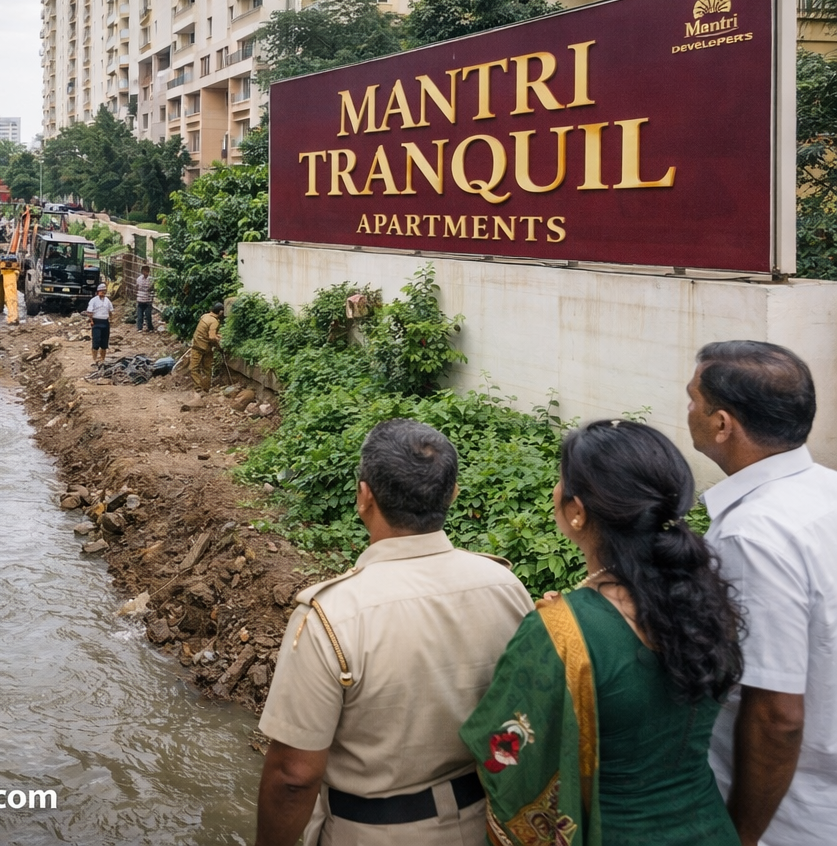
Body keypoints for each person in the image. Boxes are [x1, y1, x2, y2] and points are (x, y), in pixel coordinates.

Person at [462, 419, 743, 846]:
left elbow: (503, 756)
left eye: (560, 480)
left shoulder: (563, 632)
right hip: (710, 826)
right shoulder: (706, 604)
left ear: (577, 511)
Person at [256, 419, 533, 846]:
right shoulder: (506, 588)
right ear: (453, 493)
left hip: (370, 832)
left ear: (364, 496)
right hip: (486, 825)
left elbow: (294, 775)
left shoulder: (333, 614)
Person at [687, 341, 837, 846]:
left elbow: (776, 713)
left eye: (693, 401)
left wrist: (741, 836)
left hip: (788, 819)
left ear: (722, 424)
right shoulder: (827, 491)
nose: (687, 412)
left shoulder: (753, 535)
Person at [190, 301, 223, 392]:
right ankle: (205, 389)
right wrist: (218, 342)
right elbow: (212, 337)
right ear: (220, 312)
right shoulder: (214, 321)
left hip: (196, 345)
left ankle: (198, 388)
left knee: (193, 368)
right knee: (207, 369)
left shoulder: (204, 316)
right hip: (205, 348)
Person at [84, 283, 113, 365]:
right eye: (101, 291)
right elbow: (89, 311)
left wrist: (111, 320)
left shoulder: (107, 300)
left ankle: (103, 359)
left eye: (104, 291)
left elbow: (110, 311)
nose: (103, 292)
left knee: (104, 342)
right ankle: (94, 359)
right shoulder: (93, 300)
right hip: (96, 322)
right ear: (98, 291)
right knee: (96, 341)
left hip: (105, 322)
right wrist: (91, 320)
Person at [135, 266, 155, 332]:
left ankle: (150, 327)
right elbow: (136, 288)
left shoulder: (151, 280)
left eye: (147, 271)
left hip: (148, 299)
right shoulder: (138, 279)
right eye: (145, 271)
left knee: (148, 315)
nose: (146, 272)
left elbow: (152, 289)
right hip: (140, 299)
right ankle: (139, 328)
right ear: (142, 271)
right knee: (140, 315)